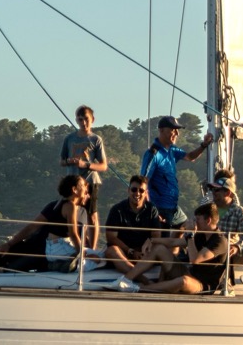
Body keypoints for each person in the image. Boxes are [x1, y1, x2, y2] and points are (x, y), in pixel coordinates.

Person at [139, 203, 230, 295]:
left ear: (208, 220)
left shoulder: (219, 241)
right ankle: (130, 278)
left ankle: (140, 289)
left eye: (198, 219)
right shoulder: (201, 235)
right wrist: (152, 240)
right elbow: (173, 242)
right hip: (191, 274)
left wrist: (190, 234)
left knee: (184, 281)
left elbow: (194, 260)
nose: (195, 222)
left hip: (203, 285)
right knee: (159, 249)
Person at [140, 115, 213, 227]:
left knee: (189, 228)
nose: (177, 134)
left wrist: (204, 145)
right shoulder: (153, 154)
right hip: (160, 207)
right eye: (173, 130)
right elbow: (143, 182)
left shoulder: (172, 150)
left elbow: (190, 157)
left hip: (173, 207)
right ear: (161, 130)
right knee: (165, 237)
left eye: (177, 130)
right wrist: (150, 209)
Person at [60, 105, 107, 248]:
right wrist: (70, 161)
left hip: (90, 182)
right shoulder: (69, 139)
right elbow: (62, 161)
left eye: (86, 119)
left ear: (92, 119)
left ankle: (92, 249)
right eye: (80, 120)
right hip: (73, 183)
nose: (84, 123)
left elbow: (103, 166)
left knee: (91, 215)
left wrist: (85, 164)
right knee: (73, 214)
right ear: (76, 120)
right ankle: (79, 245)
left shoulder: (96, 139)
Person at [102, 175, 165, 276]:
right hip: (123, 252)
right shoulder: (117, 210)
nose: (137, 193)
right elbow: (111, 238)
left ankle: (134, 274)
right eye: (134, 189)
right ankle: (142, 279)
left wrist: (144, 249)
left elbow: (156, 235)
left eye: (141, 190)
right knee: (112, 250)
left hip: (144, 253)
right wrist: (130, 251)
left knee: (160, 249)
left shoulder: (152, 209)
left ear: (146, 193)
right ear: (128, 190)